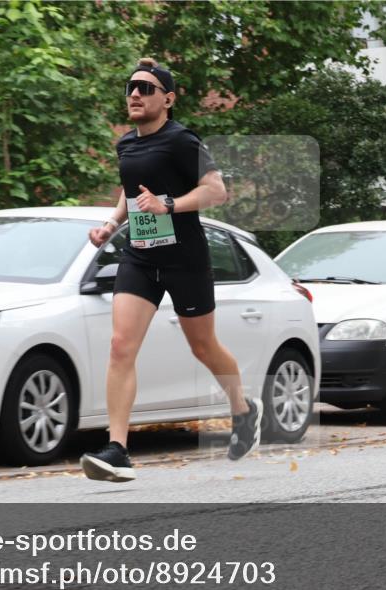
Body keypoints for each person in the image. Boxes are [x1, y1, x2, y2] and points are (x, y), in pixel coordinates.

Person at [80, 57, 263, 483]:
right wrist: (111, 224)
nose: (135, 94)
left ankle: (242, 408)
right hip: (141, 256)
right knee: (120, 346)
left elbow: (216, 191)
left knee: (203, 347)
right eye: (131, 88)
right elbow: (131, 195)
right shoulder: (126, 145)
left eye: (145, 88)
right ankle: (118, 449)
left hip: (185, 259)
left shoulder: (183, 140)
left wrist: (169, 205)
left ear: (168, 98)